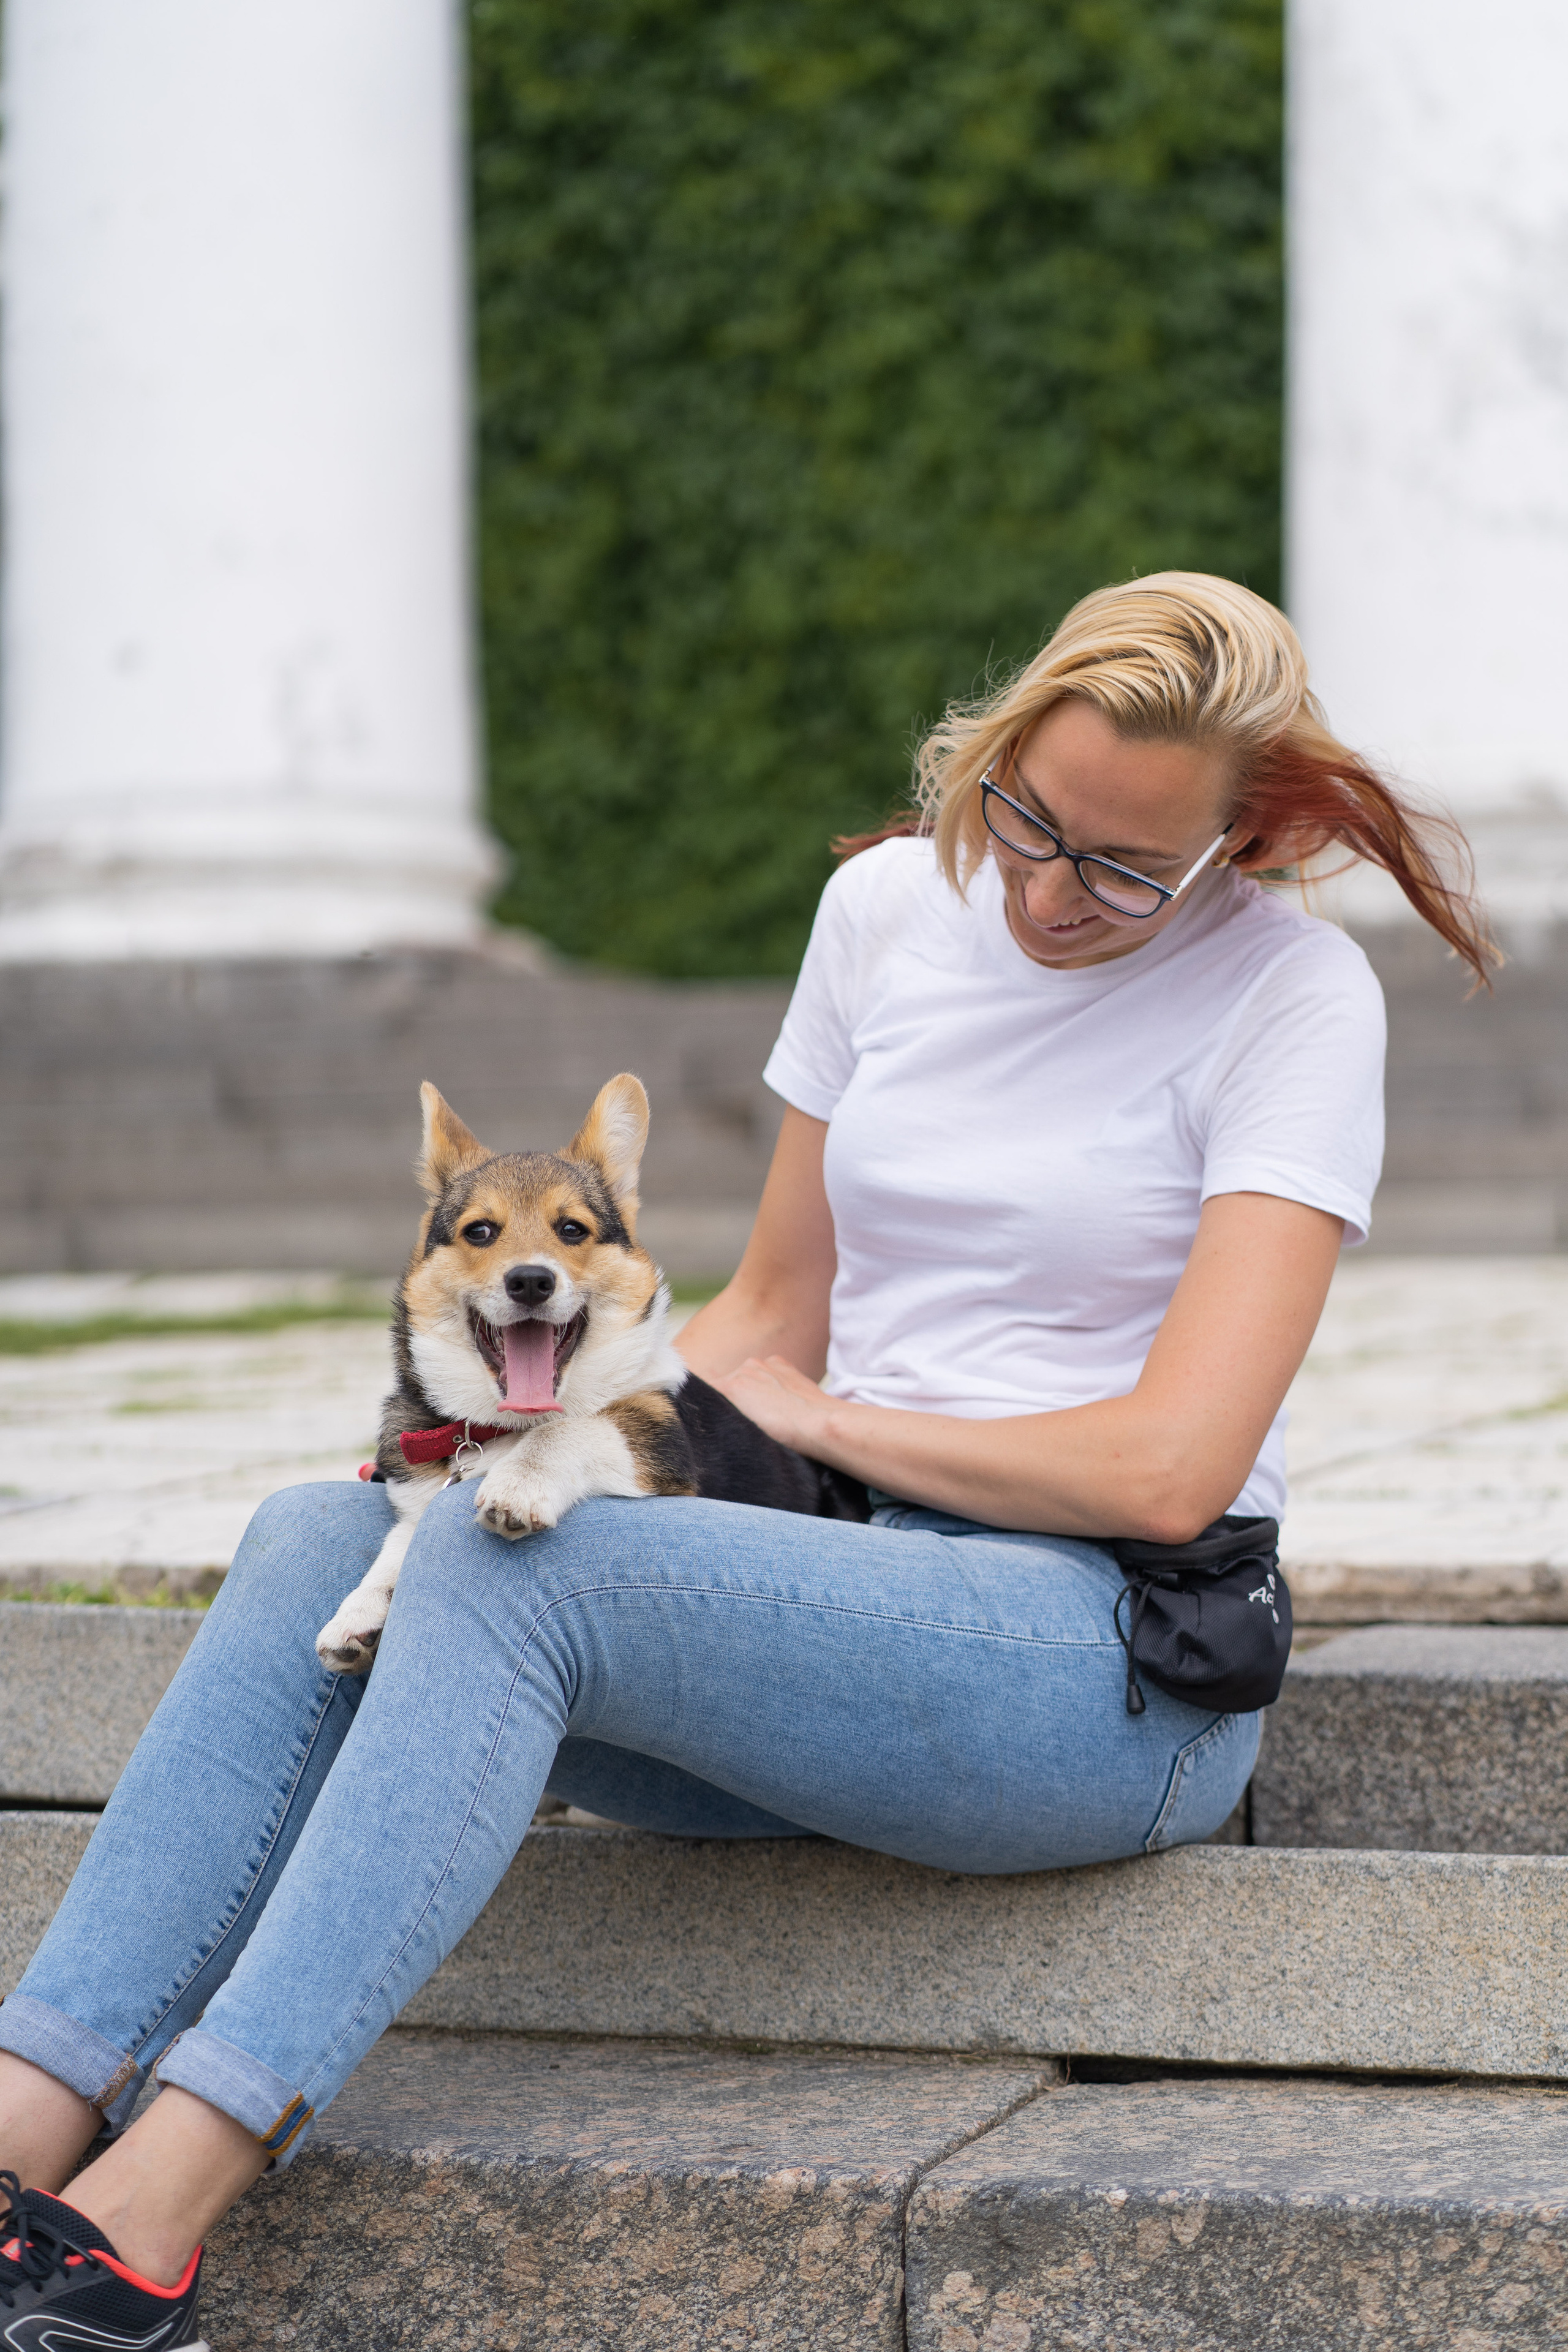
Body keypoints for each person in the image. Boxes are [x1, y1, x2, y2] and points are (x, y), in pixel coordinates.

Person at [0, 573, 1490, 2337]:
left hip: (1113, 1666)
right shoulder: (883, 909)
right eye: (1024, 817)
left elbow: (1174, 1468)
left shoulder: (1298, 998)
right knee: (327, 1537)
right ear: (994, 753)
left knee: (504, 1557)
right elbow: (767, 1320)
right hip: (844, 1590)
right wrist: (509, 1445)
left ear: (1240, 841)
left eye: (1121, 869)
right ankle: (23, 2128)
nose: (1042, 889)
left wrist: (832, 1427)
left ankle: (158, 2213)